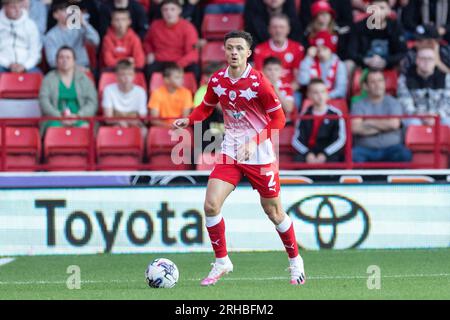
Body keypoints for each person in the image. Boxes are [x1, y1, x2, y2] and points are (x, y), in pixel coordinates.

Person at [173, 30, 306, 286]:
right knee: (211, 205)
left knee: (274, 212)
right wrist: (189, 120)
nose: (234, 52)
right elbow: (206, 107)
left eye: (239, 48)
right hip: (230, 152)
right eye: (230, 48)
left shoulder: (258, 82)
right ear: (224, 51)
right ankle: (222, 261)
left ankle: (295, 261)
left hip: (259, 155)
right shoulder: (218, 80)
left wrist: (253, 142)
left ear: (248, 53)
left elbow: (279, 119)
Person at [352, 69, 412, 162]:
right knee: (353, 155)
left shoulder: (394, 103)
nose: (377, 85)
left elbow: (394, 124)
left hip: (391, 148)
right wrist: (385, 127)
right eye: (373, 82)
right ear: (366, 86)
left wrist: (368, 122)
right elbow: (356, 128)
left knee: (404, 154)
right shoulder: (358, 105)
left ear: (385, 83)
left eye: (380, 80)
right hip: (365, 149)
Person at [39, 46, 98, 131]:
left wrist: (78, 116)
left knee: (85, 129)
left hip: (80, 118)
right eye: (61, 57)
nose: (64, 60)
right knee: (54, 130)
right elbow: (43, 101)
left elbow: (92, 102)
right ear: (56, 61)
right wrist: (60, 116)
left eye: (68, 57)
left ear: (74, 61)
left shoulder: (84, 79)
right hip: (55, 119)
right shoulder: (48, 79)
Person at [291, 78, 346, 163]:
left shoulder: (336, 114)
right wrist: (307, 153)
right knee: (297, 160)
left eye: (323, 92)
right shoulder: (303, 115)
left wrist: (325, 154)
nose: (320, 96)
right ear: (309, 95)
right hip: (308, 154)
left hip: (329, 154)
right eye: (316, 92)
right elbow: (296, 140)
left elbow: (341, 139)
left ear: (327, 93)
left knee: (336, 161)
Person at [143, 0, 199, 82]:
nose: (169, 13)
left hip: (180, 61)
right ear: (161, 11)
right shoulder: (155, 25)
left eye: (172, 9)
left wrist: (178, 65)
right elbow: (147, 42)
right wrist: (149, 52)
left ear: (179, 10)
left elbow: (192, 53)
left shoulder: (188, 27)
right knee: (148, 70)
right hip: (160, 61)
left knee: (195, 69)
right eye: (165, 10)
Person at [398, 46, 450, 126]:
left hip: (439, 116)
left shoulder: (446, 78)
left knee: (447, 122)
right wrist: (419, 115)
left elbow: (447, 102)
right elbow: (404, 101)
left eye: (430, 59)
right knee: (413, 123)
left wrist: (436, 115)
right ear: (417, 60)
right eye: (423, 58)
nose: (426, 62)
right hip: (415, 116)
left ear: (435, 61)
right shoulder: (405, 78)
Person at [348, 0, 407, 70]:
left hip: (388, 64)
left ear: (388, 10)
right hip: (364, 65)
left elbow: (402, 52)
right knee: (349, 64)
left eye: (382, 8)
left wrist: (386, 61)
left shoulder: (395, 27)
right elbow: (351, 52)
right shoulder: (359, 27)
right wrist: (365, 60)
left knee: (403, 62)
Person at [253, 13, 304, 91]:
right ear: (269, 29)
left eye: (282, 27)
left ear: (288, 29)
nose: (278, 30)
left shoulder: (297, 48)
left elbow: (298, 79)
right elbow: (260, 77)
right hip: (267, 90)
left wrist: (285, 93)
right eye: (274, 27)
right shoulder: (260, 49)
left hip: (290, 91)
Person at [44, 1, 100, 69]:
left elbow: (96, 41)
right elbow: (52, 62)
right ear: (55, 15)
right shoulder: (50, 36)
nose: (68, 13)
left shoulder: (80, 28)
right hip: (61, 70)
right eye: (64, 10)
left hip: (83, 67)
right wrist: (75, 67)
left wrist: (84, 23)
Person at [102, 59, 148, 136]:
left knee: (144, 132)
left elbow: (143, 118)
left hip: (134, 124)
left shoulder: (141, 92)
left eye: (129, 74)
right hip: (115, 124)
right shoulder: (108, 90)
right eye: (123, 74)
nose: (126, 77)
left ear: (134, 76)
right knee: (114, 131)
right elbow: (108, 118)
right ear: (116, 76)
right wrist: (120, 121)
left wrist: (127, 121)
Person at [298, 30, 348, 99]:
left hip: (333, 100)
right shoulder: (310, 62)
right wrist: (308, 57)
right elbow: (303, 81)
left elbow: (341, 90)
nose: (321, 53)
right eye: (318, 50)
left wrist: (324, 97)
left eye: (324, 49)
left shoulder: (339, 65)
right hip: (313, 100)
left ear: (331, 49)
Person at [0, 0, 42, 73]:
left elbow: (35, 52)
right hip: (3, 65)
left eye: (20, 6)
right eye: (13, 7)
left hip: (26, 66)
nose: (17, 10)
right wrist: (8, 64)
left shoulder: (30, 24)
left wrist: (25, 66)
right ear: (5, 7)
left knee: (38, 74)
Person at [148, 63, 193, 128]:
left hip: (180, 128)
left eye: (182, 77)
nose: (182, 80)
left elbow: (185, 119)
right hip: (161, 128)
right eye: (177, 77)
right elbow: (154, 120)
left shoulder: (186, 93)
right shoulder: (156, 93)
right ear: (166, 80)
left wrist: (176, 127)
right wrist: (170, 126)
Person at [262, 56, 295, 123]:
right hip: (263, 123)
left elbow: (289, 109)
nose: (273, 72)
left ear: (281, 71)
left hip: (281, 124)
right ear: (263, 70)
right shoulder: (257, 85)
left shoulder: (286, 87)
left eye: (276, 69)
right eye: (269, 69)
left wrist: (275, 88)